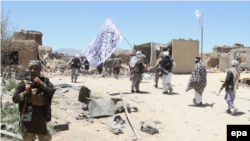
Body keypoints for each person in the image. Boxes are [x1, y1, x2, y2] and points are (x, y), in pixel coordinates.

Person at [12, 60, 56, 141]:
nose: (32, 71)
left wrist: (41, 84)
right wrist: (25, 92)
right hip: (27, 119)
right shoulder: (24, 82)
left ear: (39, 70)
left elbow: (51, 92)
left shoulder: (45, 81)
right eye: (31, 68)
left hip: (41, 119)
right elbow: (15, 99)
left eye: (35, 69)